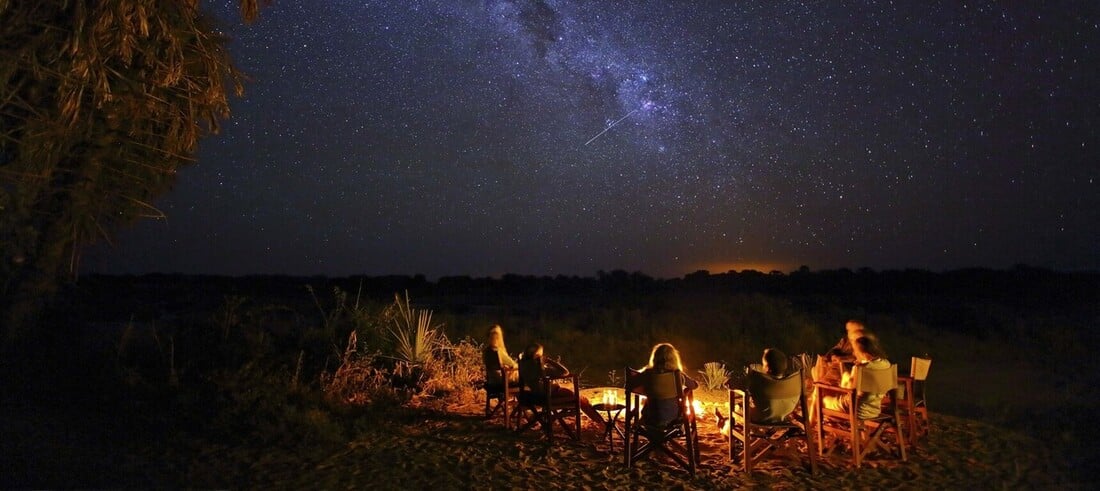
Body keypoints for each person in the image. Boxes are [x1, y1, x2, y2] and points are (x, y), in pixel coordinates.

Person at [518, 343, 605, 426]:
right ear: (537, 355)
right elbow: (565, 372)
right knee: (580, 399)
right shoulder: (540, 369)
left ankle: (547, 419)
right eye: (541, 355)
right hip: (551, 394)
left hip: (537, 394)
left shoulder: (523, 365)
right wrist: (549, 361)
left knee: (580, 399)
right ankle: (600, 421)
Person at [627, 343, 699, 427]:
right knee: (686, 393)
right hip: (674, 417)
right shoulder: (677, 374)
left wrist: (644, 389)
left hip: (651, 417)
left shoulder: (647, 373)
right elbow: (694, 386)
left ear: (655, 358)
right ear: (674, 358)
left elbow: (630, 384)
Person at [821, 336, 891, 419]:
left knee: (823, 400)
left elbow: (848, 390)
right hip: (874, 411)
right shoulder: (886, 364)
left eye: (855, 351)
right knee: (846, 376)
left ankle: (811, 425)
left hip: (855, 410)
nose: (854, 353)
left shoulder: (859, 368)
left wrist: (843, 383)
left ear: (861, 352)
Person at [744, 348, 798, 423]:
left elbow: (739, 386)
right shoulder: (794, 381)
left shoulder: (759, 380)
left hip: (762, 416)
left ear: (767, 368)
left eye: (763, 365)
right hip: (784, 414)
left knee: (739, 408)